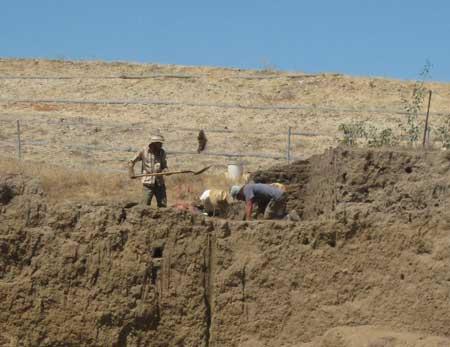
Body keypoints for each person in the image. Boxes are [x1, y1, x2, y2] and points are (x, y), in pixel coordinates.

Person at [129, 134, 168, 207]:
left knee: (163, 205)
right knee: (144, 206)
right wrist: (131, 172)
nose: (161, 145)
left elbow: (164, 166)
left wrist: (166, 170)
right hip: (148, 183)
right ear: (153, 143)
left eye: (161, 143)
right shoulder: (143, 151)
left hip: (159, 183)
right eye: (159, 143)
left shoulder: (162, 152)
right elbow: (131, 162)